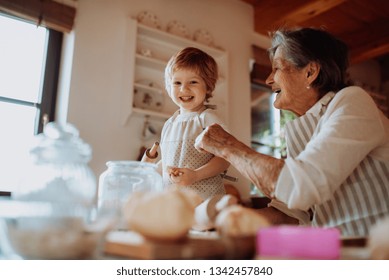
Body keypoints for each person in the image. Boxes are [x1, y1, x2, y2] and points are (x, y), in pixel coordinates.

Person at [195, 27, 389, 237]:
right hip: (334, 252)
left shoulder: (352, 101)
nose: (269, 80)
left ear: (310, 72)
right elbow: (289, 215)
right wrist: (227, 220)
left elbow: (301, 186)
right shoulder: (303, 128)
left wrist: (226, 145)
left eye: (276, 68)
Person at [142, 47, 230, 201]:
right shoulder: (170, 124)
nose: (184, 88)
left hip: (204, 199)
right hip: (174, 202)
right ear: (169, 87)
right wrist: (150, 172)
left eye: (193, 82)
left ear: (208, 86)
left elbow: (225, 158)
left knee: (203, 223)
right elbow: (168, 161)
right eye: (177, 82)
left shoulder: (207, 118)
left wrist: (196, 175)